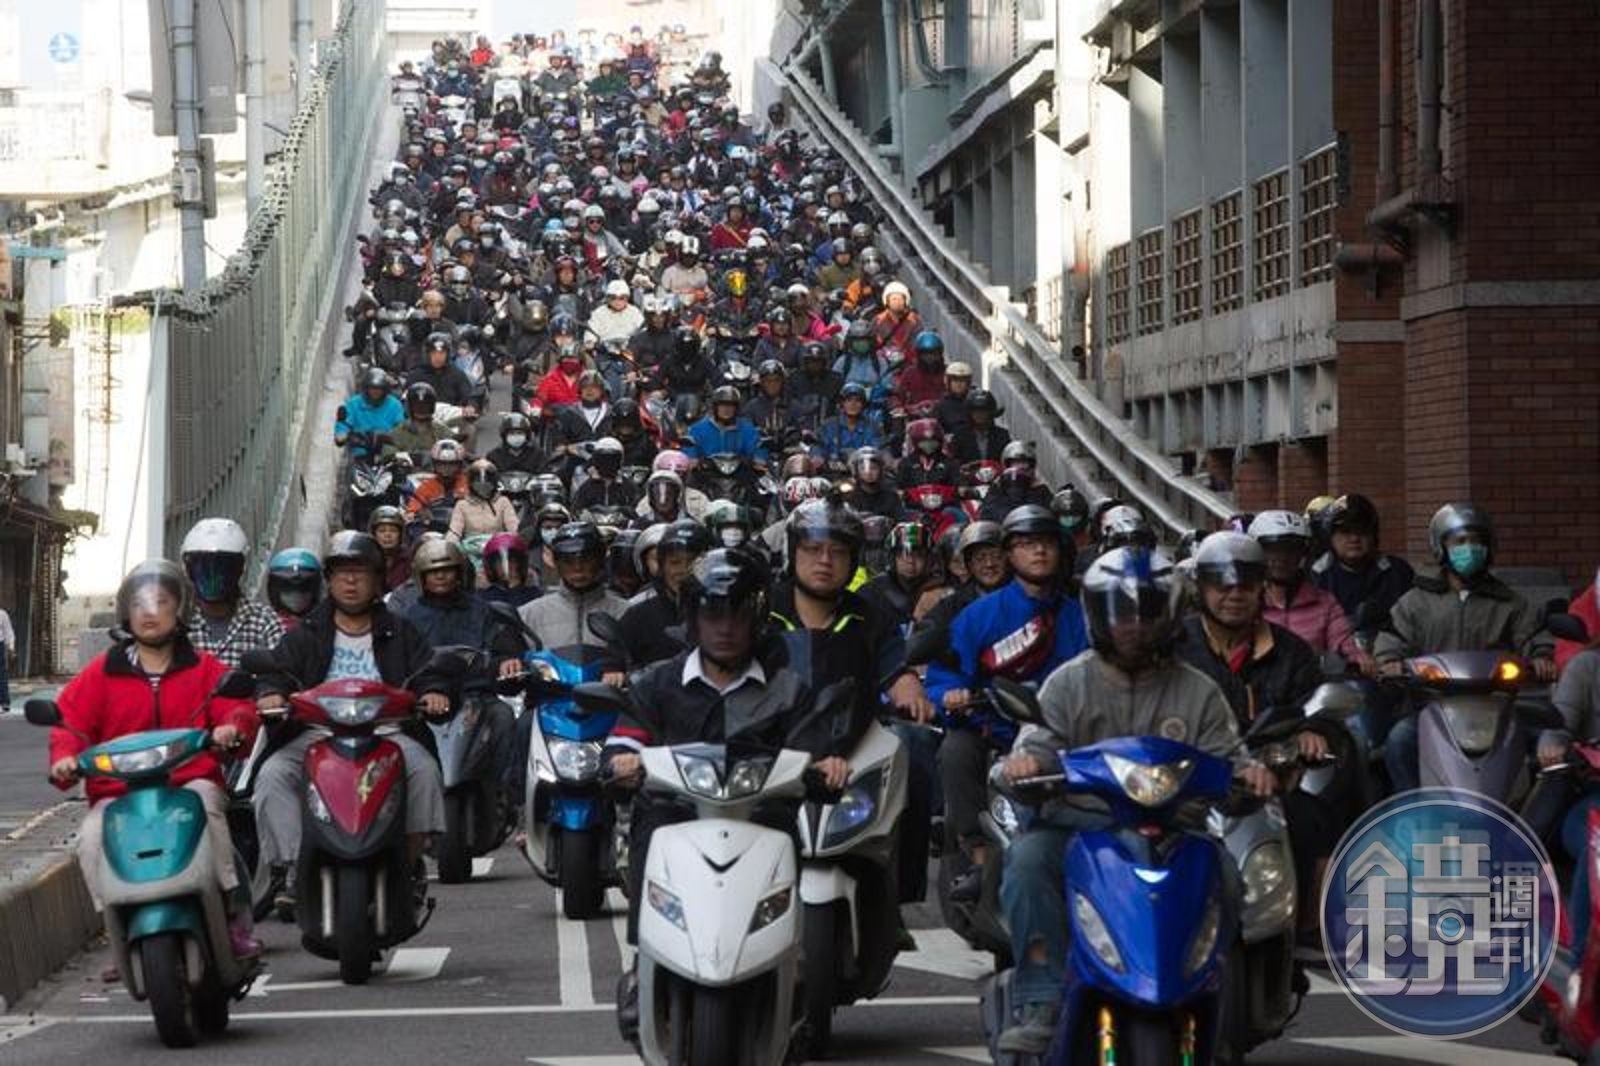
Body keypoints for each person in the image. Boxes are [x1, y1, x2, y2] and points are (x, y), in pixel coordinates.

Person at [993, 547, 1271, 1052]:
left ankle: (1214, 997)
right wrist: (1026, 764)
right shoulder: (1068, 682)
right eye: (1121, 612)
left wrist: (1250, 775)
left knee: (1227, 877)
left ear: (1171, 615)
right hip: (1082, 826)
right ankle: (1043, 997)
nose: (1134, 625)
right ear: (1097, 615)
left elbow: (1230, 758)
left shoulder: (1199, 691)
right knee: (1028, 861)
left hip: (1177, 829)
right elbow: (1036, 743)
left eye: (1148, 612)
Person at [603, 548, 854, 1038]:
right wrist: (620, 761)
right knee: (650, 829)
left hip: (761, 817)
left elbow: (813, 747)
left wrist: (828, 764)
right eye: (713, 613)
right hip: (676, 814)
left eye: (737, 614)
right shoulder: (657, 682)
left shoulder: (788, 687)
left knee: (786, 834)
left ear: (756, 618)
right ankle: (641, 964)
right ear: (692, 618)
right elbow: (624, 738)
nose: (725, 627)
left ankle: (791, 968)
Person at [49, 562, 262, 958]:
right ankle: (115, 930)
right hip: (117, 793)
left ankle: (230, 910)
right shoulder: (101, 673)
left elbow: (236, 706)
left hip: (189, 782)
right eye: (139, 604)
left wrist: (230, 727)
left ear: (179, 610)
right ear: (126, 613)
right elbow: (71, 724)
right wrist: (64, 758)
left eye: (161, 602)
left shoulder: (204, 668)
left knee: (210, 810)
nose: (149, 612)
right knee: (91, 838)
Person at [250, 532, 450, 915]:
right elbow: (277, 671)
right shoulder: (307, 633)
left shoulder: (400, 630)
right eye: (342, 573)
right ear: (329, 580)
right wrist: (271, 693)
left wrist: (435, 692)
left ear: (378, 579)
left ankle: (407, 864)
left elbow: (428, 671)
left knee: (424, 770)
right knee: (273, 775)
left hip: (387, 731)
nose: (351, 581)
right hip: (317, 734)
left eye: (361, 572)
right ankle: (295, 869)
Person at [769, 498, 934, 926]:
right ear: (793, 552)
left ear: (853, 559)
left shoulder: (869, 614)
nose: (824, 561)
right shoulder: (762, 608)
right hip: (771, 736)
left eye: (837, 551)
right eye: (813, 549)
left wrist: (909, 688)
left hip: (850, 733)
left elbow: (894, 665)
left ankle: (897, 894)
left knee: (915, 747)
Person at [1174, 531, 1337, 943]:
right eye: (1222, 584)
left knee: (1311, 819)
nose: (1234, 595)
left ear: (1261, 587)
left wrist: (1313, 730)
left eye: (1246, 585)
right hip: (1186, 780)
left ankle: (1302, 929)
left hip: (1268, 781)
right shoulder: (1174, 648)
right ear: (1200, 588)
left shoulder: (1292, 651)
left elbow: (1317, 704)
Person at [924, 505, 1090, 904]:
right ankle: (979, 855)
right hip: (995, 729)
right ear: (1010, 554)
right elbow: (944, 676)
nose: (1039, 552)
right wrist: (952, 695)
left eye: (1046, 543)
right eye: (1027, 544)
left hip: (1065, 735)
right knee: (955, 750)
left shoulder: (1080, 617)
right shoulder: (978, 616)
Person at [1377, 503, 1555, 791]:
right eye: (1459, 541)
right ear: (1441, 548)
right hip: (1433, 708)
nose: (1469, 549)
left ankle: (1527, 814)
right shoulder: (1415, 602)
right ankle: (1416, 810)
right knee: (1400, 740)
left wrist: (1541, 657)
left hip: (1497, 708)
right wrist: (1390, 662)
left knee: (1550, 746)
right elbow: (1392, 640)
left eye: (1476, 541)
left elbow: (1533, 637)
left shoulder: (1511, 603)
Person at [1248, 510, 1370, 669]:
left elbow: (1345, 647)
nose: (1282, 557)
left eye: (1291, 549)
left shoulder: (1325, 603)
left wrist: (1360, 660)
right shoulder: (1245, 603)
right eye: (1273, 549)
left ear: (1303, 554)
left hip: (1312, 682)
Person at [180, 518, 284, 668]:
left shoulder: (264, 622)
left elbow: (281, 671)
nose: (212, 576)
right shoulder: (178, 622)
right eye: (203, 567)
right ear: (188, 569)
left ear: (240, 569)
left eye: (222, 567)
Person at [1309, 492, 1415, 639]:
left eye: (1362, 531)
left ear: (1374, 535)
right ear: (1330, 536)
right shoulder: (1315, 577)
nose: (1354, 538)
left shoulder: (1398, 572)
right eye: (1345, 531)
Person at [614, 519, 711, 669]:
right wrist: (612, 670)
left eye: (692, 562)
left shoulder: (725, 613)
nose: (683, 571)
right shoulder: (637, 616)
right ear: (662, 567)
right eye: (675, 563)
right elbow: (615, 658)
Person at [684, 385, 767, 462]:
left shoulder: (746, 428)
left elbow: (758, 446)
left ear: (736, 408)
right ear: (715, 407)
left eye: (731, 405)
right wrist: (692, 459)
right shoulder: (698, 429)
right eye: (722, 404)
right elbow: (689, 447)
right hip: (706, 471)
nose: (726, 409)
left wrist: (759, 458)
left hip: (740, 471)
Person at [448, 459, 520, 547]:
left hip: (497, 549)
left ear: (494, 482)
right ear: (471, 483)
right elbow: (455, 530)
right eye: (477, 481)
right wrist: (450, 543)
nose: (483, 485)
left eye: (488, 481)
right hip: (471, 549)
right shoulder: (462, 505)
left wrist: (516, 539)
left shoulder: (503, 502)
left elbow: (513, 526)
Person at [336, 367, 406, 456]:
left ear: (385, 389)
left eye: (379, 388)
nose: (375, 392)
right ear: (366, 388)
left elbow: (401, 427)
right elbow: (344, 426)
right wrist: (342, 435)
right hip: (360, 454)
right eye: (372, 388)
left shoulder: (395, 405)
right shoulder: (353, 404)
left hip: (387, 453)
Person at [814, 382, 881, 463]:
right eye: (849, 400)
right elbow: (818, 446)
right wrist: (818, 457)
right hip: (831, 468)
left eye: (858, 400)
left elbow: (877, 450)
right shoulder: (829, 425)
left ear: (863, 405)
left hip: (863, 468)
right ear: (842, 403)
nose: (853, 404)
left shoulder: (872, 427)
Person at [388, 382, 449, 462]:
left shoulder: (441, 430)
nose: (421, 409)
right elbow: (388, 453)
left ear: (432, 406)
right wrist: (398, 457)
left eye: (425, 405)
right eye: (417, 405)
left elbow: (455, 446)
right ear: (410, 407)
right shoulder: (398, 431)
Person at [266, 548, 323, 631]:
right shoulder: (265, 624)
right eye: (287, 589)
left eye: (304, 588)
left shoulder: (324, 624)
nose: (296, 596)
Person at [949, 389, 1011, 464]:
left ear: (990, 412)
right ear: (969, 412)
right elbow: (953, 462)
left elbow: (1009, 461)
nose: (979, 414)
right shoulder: (960, 435)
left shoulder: (1002, 435)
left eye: (983, 410)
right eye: (975, 411)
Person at [845, 445, 904, 520]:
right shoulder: (849, 497)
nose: (868, 473)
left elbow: (901, 521)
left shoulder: (891, 496)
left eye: (873, 468)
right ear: (856, 471)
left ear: (881, 470)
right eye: (863, 468)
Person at [479, 533, 538, 608]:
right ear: (491, 566)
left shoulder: (534, 595)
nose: (508, 566)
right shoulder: (482, 597)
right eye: (500, 562)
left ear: (521, 563)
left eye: (512, 561)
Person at [369, 505, 412, 591]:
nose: (387, 535)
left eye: (393, 530)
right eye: (382, 531)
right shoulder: (366, 560)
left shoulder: (410, 560)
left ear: (401, 534)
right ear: (374, 534)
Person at [487, 411, 544, 475]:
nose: (516, 436)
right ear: (504, 435)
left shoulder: (537, 454)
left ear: (527, 435)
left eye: (519, 433)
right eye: (512, 433)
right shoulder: (494, 456)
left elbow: (546, 473)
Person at [589, 279, 644, 345]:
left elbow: (643, 329)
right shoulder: (598, 313)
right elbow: (591, 330)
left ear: (627, 298)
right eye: (613, 298)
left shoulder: (634, 312)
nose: (617, 302)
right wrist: (590, 341)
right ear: (608, 298)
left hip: (630, 347)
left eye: (621, 298)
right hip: (604, 347)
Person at [932, 362, 975, 436]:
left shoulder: (975, 402)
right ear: (948, 382)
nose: (959, 384)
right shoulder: (941, 405)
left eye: (962, 380)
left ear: (968, 383)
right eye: (955, 380)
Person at [0, 603, 11, 713]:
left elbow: (8, 631)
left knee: (1, 674)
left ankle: (4, 702)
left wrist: (11, 647)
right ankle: (4, 702)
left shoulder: (2, 614)